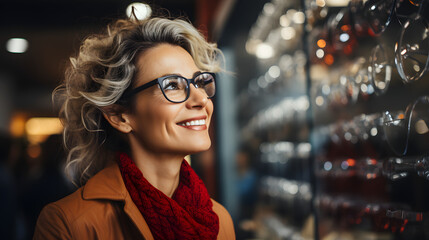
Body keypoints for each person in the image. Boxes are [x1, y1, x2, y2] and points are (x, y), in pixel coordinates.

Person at [33, 15, 235, 240]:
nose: (201, 99)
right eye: (171, 85)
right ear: (119, 116)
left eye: (199, 82)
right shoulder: (68, 224)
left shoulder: (220, 220)